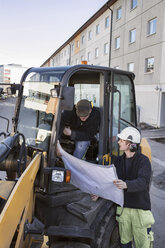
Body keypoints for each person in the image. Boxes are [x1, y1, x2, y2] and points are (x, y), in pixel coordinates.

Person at [113, 127, 155, 248]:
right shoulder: (118, 161)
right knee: (124, 243)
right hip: (124, 209)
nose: (118, 142)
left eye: (121, 140)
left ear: (130, 144)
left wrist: (126, 184)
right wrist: (98, 194)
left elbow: (143, 182)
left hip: (140, 210)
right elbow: (111, 182)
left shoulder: (143, 161)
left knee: (144, 245)